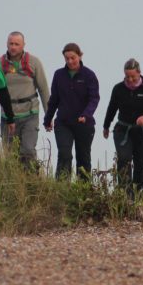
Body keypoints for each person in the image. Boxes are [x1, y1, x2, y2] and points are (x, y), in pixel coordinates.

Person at [44, 43, 100, 181]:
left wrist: (86, 114)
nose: (70, 61)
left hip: (84, 124)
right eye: (67, 58)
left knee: (83, 158)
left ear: (80, 56)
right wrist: (47, 119)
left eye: (73, 58)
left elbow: (94, 98)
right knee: (64, 154)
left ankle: (84, 193)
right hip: (63, 123)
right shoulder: (59, 75)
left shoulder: (89, 75)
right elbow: (54, 99)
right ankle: (62, 188)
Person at [102, 58, 143, 198]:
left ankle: (138, 193)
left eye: (133, 76)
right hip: (123, 130)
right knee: (124, 159)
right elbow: (112, 108)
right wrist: (106, 126)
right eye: (127, 76)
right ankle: (125, 193)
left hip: (142, 131)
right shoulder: (118, 89)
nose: (130, 79)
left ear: (139, 73)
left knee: (141, 163)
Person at [0, 32, 50, 166]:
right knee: (10, 154)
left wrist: (48, 115)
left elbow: (43, 89)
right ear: (7, 44)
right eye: (11, 43)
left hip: (30, 114)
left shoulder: (33, 62)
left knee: (27, 151)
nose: (13, 47)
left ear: (23, 45)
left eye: (17, 44)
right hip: (8, 116)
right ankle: (14, 182)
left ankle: (32, 181)